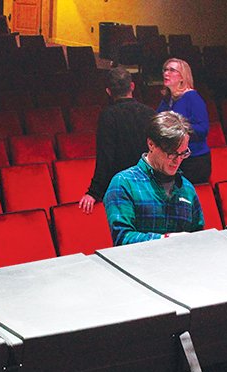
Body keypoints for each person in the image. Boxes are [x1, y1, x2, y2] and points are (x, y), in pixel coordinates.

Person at [104, 111, 204, 246]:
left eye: (183, 153)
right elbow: (122, 238)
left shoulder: (186, 188)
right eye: (171, 153)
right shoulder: (124, 183)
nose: (178, 160)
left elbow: (198, 236)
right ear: (151, 144)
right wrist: (165, 240)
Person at [79, 67, 155, 214]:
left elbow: (106, 157)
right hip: (148, 184)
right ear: (132, 86)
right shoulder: (150, 113)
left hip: (123, 187)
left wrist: (94, 192)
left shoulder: (107, 116)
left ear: (108, 91)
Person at [156, 58, 211, 185]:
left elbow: (203, 129)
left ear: (182, 77)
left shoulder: (192, 98)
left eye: (172, 70)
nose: (166, 73)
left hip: (193, 161)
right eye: (165, 70)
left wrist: (178, 129)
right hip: (173, 158)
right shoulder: (167, 98)